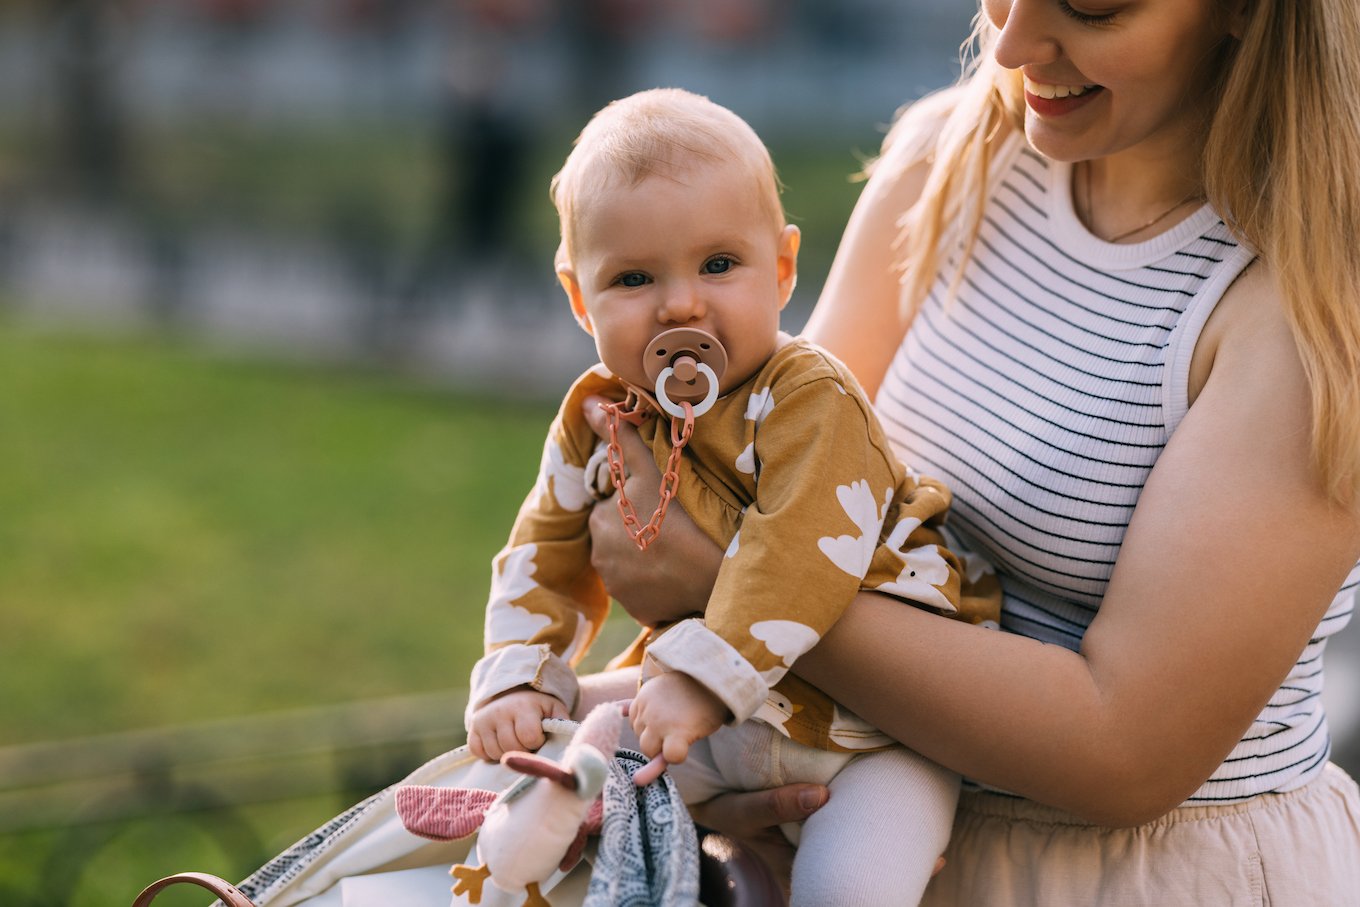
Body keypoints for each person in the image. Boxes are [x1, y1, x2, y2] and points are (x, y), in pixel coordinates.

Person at [575, 1, 1360, 903]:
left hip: (1134, 876)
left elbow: (1125, 750)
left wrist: (725, 586)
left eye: (1093, 6)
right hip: (871, 822)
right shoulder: (944, 160)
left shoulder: (1312, 305)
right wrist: (718, 758)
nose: (1013, 44)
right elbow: (770, 491)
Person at [463, 87, 999, 905]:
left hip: (874, 734)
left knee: (850, 884)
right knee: (593, 739)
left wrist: (704, 677)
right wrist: (522, 672)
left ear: (781, 268)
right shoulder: (599, 415)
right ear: (580, 298)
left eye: (719, 264)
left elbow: (800, 548)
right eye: (635, 278)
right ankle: (531, 838)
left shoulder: (809, 398)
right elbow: (545, 545)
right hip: (715, 717)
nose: (681, 303)